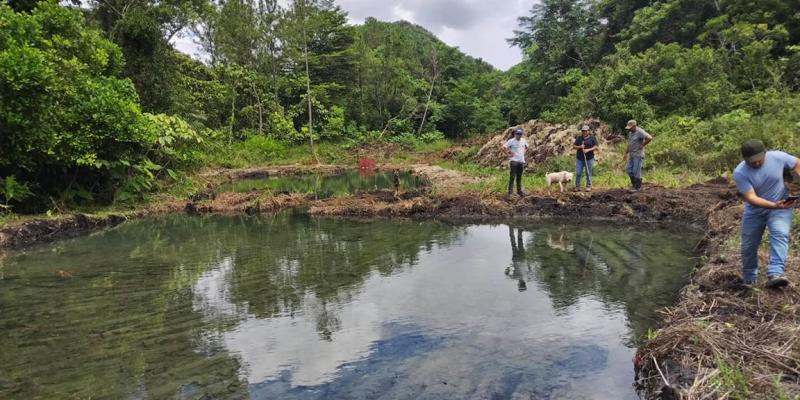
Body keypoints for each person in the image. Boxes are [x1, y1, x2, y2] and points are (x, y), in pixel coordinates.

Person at [733, 139, 800, 288]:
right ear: (744, 159)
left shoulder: (778, 157)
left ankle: (776, 273)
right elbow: (751, 198)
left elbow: (796, 163)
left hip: (782, 207)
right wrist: (773, 205)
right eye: (752, 162)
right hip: (755, 211)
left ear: (765, 153)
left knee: (780, 233)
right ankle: (749, 278)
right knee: (748, 245)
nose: (756, 164)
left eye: (758, 160)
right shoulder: (740, 172)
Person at [622, 120, 652, 192]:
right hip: (632, 154)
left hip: (638, 154)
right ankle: (634, 184)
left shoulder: (640, 132)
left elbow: (649, 138)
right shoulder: (630, 133)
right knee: (628, 169)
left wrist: (642, 145)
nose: (629, 129)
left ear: (635, 126)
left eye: (630, 127)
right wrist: (626, 153)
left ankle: (637, 187)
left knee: (636, 171)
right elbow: (629, 144)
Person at [502, 127, 529, 196]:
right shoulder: (511, 141)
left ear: (522, 134)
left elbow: (527, 147)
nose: (519, 135)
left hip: (521, 161)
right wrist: (508, 154)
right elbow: (503, 147)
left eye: (520, 134)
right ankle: (510, 192)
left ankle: (519, 191)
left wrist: (523, 153)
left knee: (519, 177)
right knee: (512, 177)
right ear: (515, 134)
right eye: (517, 134)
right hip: (514, 161)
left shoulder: (523, 140)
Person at [573, 125, 598, 192]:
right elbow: (574, 146)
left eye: (585, 131)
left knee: (588, 172)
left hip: (589, 158)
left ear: (588, 131)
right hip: (580, 158)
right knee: (578, 173)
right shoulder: (579, 138)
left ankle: (588, 186)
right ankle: (577, 186)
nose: (584, 132)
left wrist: (588, 150)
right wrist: (580, 146)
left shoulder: (592, 138)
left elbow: (596, 146)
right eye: (583, 131)